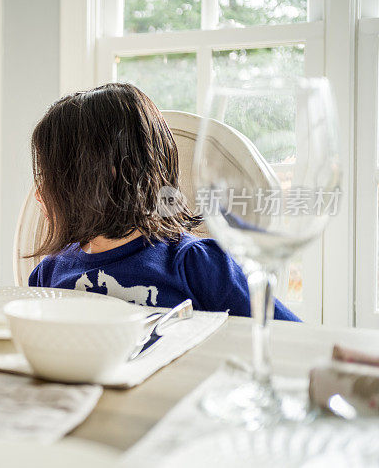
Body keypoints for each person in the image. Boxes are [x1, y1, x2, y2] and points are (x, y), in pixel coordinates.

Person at [26, 82, 299, 321]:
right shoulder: (48, 274)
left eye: (52, 176)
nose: (39, 193)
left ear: (109, 176)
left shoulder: (197, 265)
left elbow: (286, 338)